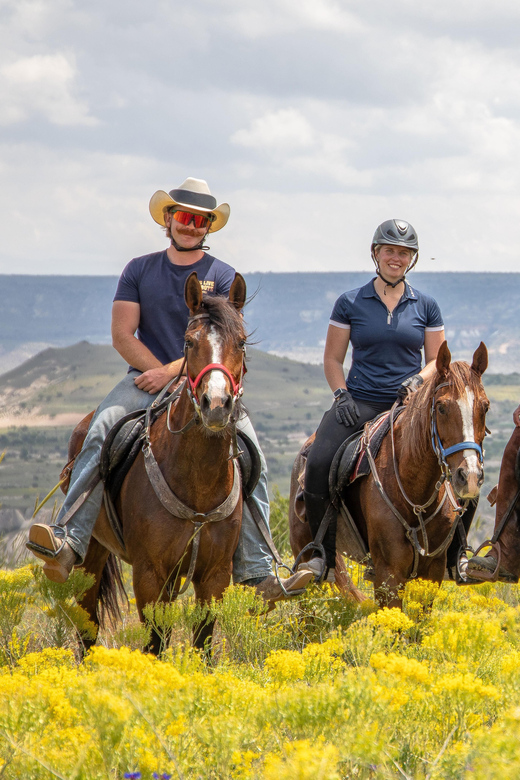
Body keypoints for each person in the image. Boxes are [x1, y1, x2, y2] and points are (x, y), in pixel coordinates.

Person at [27, 177, 312, 602]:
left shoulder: (224, 276)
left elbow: (225, 343)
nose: (191, 225)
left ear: (209, 226)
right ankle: (70, 539)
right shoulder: (138, 270)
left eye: (200, 220)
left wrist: (178, 373)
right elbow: (123, 334)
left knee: (254, 455)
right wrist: (159, 373)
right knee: (99, 430)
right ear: (168, 218)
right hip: (142, 380)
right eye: (184, 216)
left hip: (206, 383)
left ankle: (259, 567)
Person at [299, 219, 450, 583]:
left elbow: (436, 360)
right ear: (376, 254)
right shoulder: (350, 301)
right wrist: (341, 396)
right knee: (318, 462)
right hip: (361, 402)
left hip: (410, 406)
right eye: (390, 251)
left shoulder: (426, 305)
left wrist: (418, 380)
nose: (396, 258)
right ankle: (321, 554)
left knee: (460, 459)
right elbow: (333, 359)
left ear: (411, 259)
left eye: (403, 253)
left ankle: (457, 555)